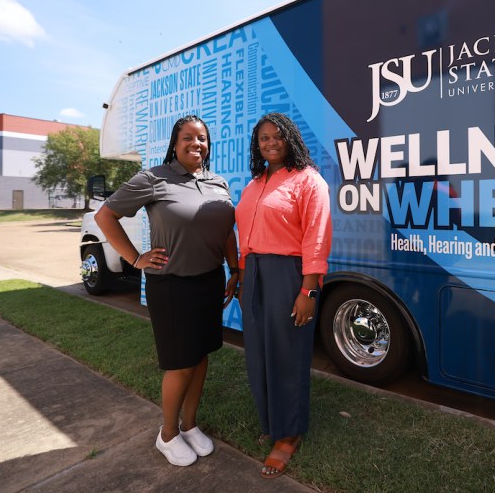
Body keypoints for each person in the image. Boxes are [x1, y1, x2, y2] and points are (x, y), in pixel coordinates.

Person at [95, 115, 239, 467]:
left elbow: (226, 232)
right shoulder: (154, 178)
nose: (196, 144)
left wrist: (234, 269)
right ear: (175, 143)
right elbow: (105, 216)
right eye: (188, 138)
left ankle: (189, 426)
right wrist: (134, 258)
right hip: (172, 285)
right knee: (181, 364)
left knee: (202, 356)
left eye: (202, 138)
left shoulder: (217, 182)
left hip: (210, 281)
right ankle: (168, 434)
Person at [235, 112, 332, 479]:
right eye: (263, 138)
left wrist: (309, 288)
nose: (270, 142)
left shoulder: (309, 181)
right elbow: (245, 235)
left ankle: (289, 434)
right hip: (254, 273)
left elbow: (316, 237)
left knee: (287, 354)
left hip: (289, 275)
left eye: (277, 136)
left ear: (290, 138)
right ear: (256, 145)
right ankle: (272, 421)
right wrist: (243, 278)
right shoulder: (255, 183)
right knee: (259, 352)